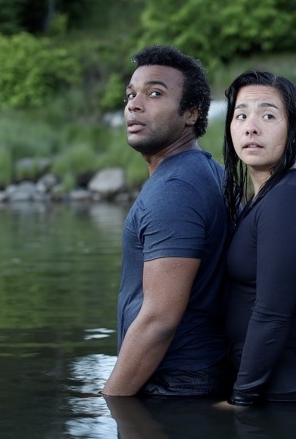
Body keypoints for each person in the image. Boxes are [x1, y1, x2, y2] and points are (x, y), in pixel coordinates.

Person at [102, 45, 229, 397]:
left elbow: (159, 319)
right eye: (131, 94)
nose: (134, 105)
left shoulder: (175, 189)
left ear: (190, 113)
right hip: (193, 381)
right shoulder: (205, 171)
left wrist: (111, 398)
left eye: (154, 93)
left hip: (175, 388)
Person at [221, 71, 296, 406]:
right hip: (272, 389)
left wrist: (240, 400)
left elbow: (272, 314)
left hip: (283, 393)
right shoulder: (269, 195)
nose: (251, 127)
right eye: (241, 115)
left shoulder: (289, 199)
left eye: (268, 115)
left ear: (293, 128)